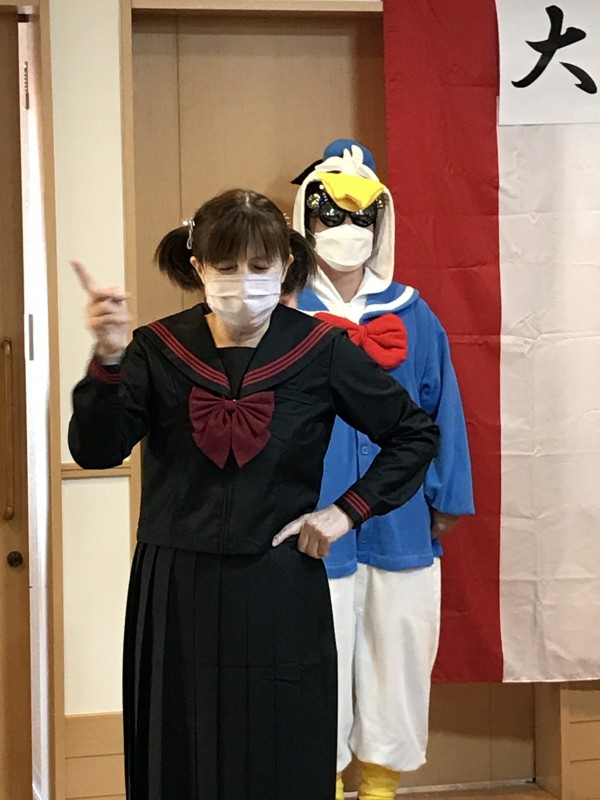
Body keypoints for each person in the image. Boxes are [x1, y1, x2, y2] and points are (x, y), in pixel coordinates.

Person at [68, 188, 440, 800]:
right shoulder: (157, 348)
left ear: (286, 265)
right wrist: (108, 359)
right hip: (176, 584)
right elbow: (96, 450)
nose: (245, 280)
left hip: (279, 581)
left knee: (280, 748)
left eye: (261, 265)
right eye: (226, 265)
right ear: (198, 268)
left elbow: (413, 434)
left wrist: (346, 512)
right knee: (179, 746)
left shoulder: (320, 349)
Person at [292, 142, 474, 800]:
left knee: (398, 656)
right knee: (314, 661)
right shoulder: (281, 317)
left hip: (399, 525)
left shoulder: (415, 315)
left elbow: (440, 405)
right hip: (310, 522)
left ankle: (379, 788)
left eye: (361, 216)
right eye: (330, 214)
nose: (345, 229)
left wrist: (446, 495)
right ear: (304, 219)